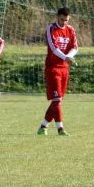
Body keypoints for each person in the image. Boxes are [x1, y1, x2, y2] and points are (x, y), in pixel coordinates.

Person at [37, 7, 78, 136]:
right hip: (53, 68)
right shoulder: (51, 29)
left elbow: (75, 47)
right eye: (62, 19)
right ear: (57, 17)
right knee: (57, 99)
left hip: (64, 69)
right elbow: (53, 48)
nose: (64, 22)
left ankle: (43, 126)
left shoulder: (70, 30)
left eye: (66, 20)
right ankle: (60, 129)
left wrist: (69, 56)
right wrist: (66, 57)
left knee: (57, 101)